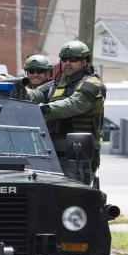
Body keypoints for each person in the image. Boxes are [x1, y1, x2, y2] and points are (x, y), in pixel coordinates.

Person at [23, 40, 106, 184]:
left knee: (72, 197)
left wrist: (42, 109)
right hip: (50, 154)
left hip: (77, 155)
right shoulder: (55, 85)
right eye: (64, 59)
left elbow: (72, 104)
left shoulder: (93, 84)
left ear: (85, 61)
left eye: (73, 59)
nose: (68, 63)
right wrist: (12, 86)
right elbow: (33, 95)